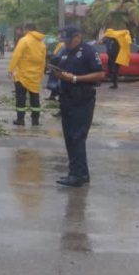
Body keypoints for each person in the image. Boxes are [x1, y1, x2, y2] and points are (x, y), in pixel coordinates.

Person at [50, 26, 105, 187]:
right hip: (66, 98)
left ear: (78, 37)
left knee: (77, 137)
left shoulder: (88, 51)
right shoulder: (64, 51)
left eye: (69, 40)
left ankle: (77, 175)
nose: (67, 44)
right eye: (64, 41)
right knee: (69, 137)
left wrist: (74, 79)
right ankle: (79, 172)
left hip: (82, 98)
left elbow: (100, 74)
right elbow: (58, 68)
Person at [8, 23, 47, 127]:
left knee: (21, 99)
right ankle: (35, 121)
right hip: (35, 76)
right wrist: (41, 74)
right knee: (35, 98)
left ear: (27, 30)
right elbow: (43, 61)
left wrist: (11, 69)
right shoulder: (42, 44)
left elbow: (16, 55)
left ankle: (20, 120)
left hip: (22, 75)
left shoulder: (24, 40)